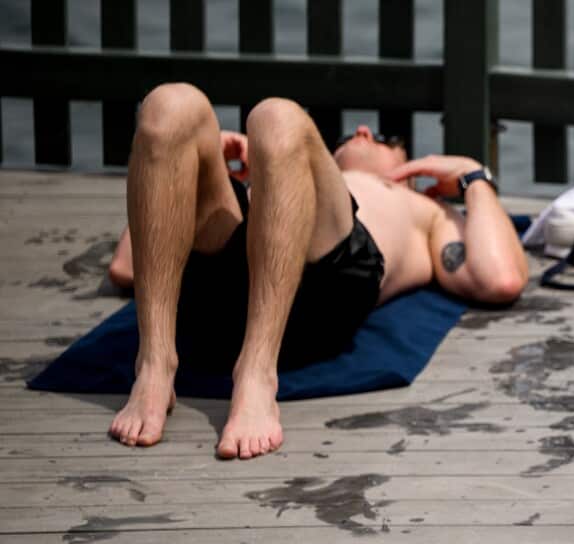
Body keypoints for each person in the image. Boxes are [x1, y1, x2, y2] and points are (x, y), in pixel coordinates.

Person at [105, 83, 527, 459]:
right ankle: (155, 364)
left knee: (276, 115)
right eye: (351, 134)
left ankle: (256, 374)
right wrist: (199, 158)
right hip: (226, 278)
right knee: (170, 104)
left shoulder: (425, 208)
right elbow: (128, 266)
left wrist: (474, 178)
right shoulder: (268, 172)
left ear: (412, 171)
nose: (363, 131)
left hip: (328, 286)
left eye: (385, 137)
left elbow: (500, 277)